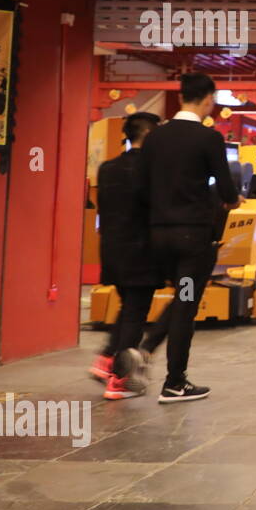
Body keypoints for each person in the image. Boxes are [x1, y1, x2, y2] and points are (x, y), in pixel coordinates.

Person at [137, 73, 240, 403]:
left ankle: (147, 346)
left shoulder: (154, 138)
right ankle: (174, 382)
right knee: (186, 305)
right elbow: (227, 191)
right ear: (208, 98)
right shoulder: (207, 138)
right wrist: (232, 198)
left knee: (181, 298)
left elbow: (140, 188)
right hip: (192, 239)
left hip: (158, 236)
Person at [91, 112, 168, 399]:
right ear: (148, 135)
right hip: (141, 251)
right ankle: (120, 380)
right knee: (136, 313)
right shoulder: (152, 171)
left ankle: (106, 360)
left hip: (112, 250)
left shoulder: (107, 168)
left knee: (128, 307)